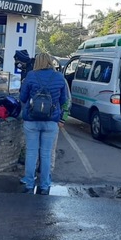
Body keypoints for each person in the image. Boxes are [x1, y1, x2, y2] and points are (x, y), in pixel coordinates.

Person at [19, 52, 69, 195]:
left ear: (37, 63)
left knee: (31, 153)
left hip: (32, 120)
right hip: (51, 121)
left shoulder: (31, 76)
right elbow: (63, 100)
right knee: (46, 154)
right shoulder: (59, 77)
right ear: (50, 62)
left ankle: (29, 183)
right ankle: (45, 186)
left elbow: (22, 97)